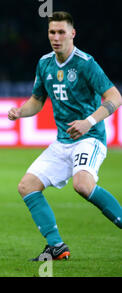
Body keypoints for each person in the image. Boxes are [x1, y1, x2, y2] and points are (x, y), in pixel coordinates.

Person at [8, 11, 122, 261]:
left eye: (61, 32)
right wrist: (19, 112)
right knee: (27, 186)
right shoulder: (45, 63)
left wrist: (88, 122)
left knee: (82, 185)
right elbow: (37, 102)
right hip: (62, 143)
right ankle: (56, 246)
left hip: (90, 138)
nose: (56, 37)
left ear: (72, 33)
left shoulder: (85, 63)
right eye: (52, 32)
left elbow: (115, 97)